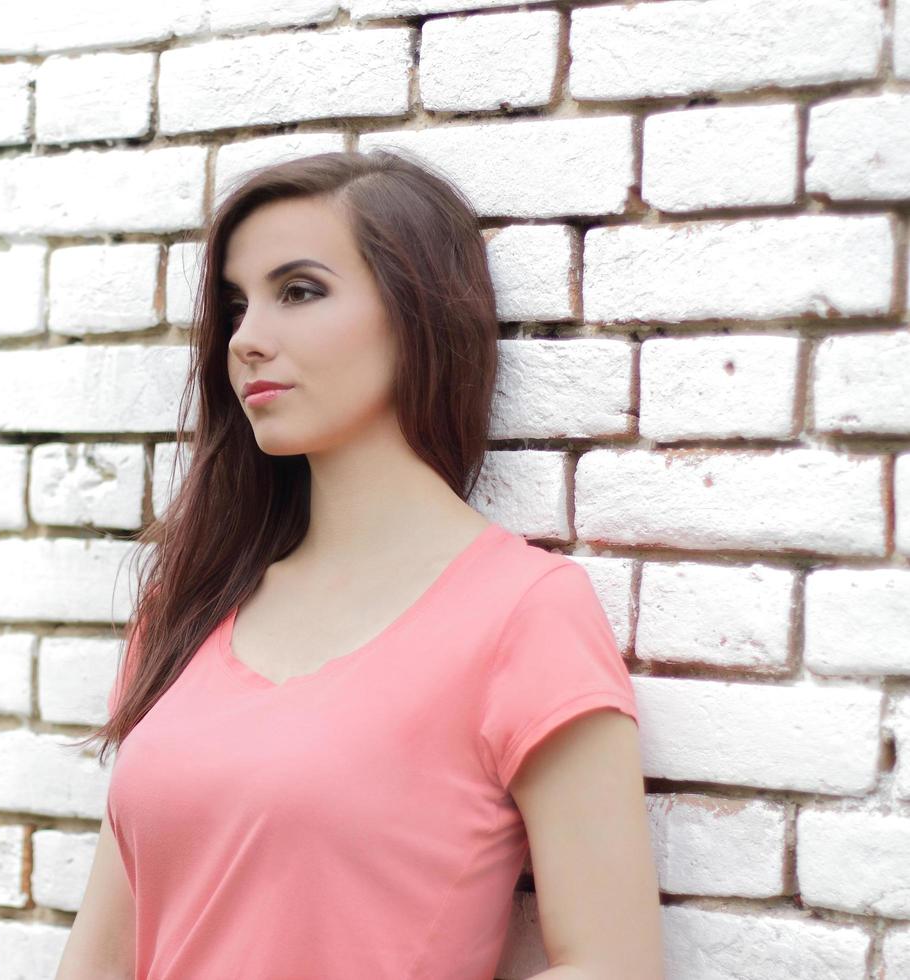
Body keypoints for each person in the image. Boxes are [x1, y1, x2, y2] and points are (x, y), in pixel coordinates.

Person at [55, 149, 663, 980]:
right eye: (236, 305)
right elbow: (101, 954)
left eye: (298, 292)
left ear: (416, 313)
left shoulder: (524, 613)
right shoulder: (188, 603)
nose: (248, 340)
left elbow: (612, 965)